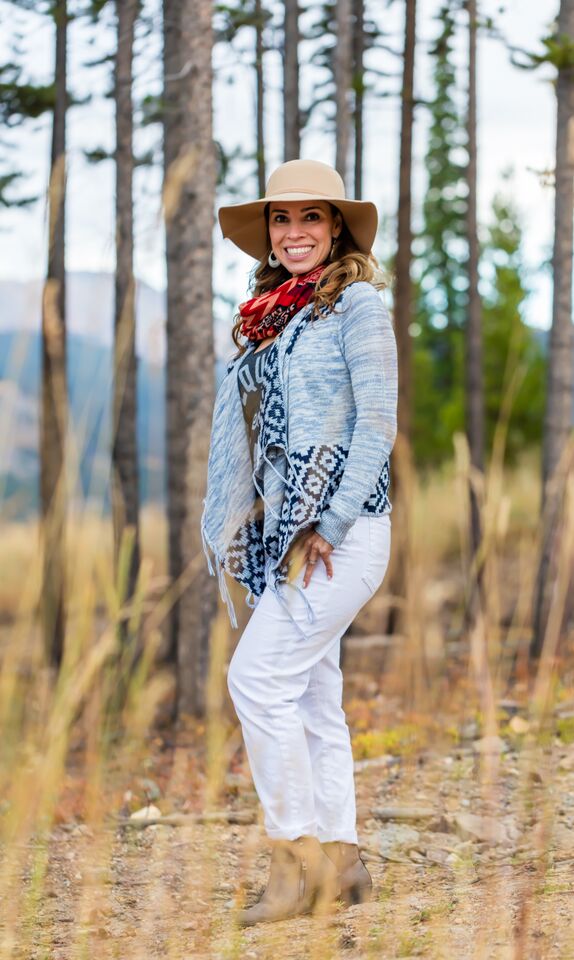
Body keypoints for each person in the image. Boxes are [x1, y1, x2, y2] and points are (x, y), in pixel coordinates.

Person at [201, 158, 398, 925]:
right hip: (291, 532)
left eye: (310, 217)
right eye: (281, 220)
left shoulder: (358, 308)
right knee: (315, 696)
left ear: (338, 227)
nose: (293, 233)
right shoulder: (276, 316)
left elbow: (376, 427)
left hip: (341, 534)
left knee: (255, 681)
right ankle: (342, 863)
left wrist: (329, 522)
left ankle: (295, 868)